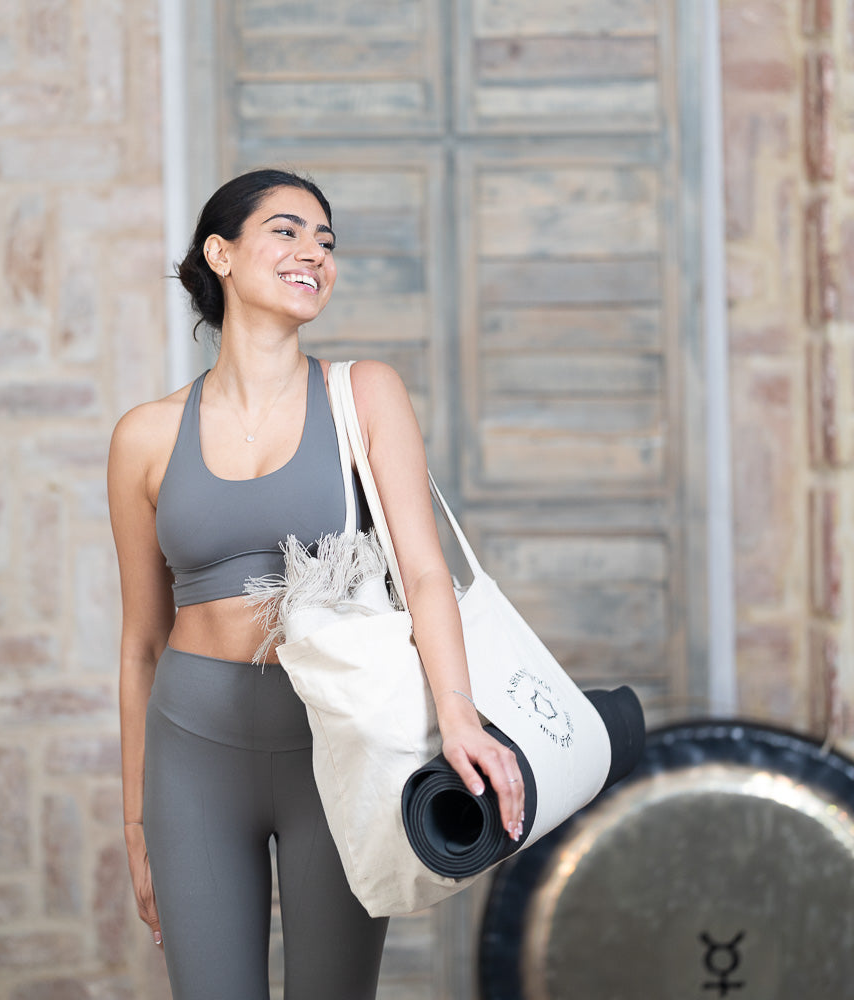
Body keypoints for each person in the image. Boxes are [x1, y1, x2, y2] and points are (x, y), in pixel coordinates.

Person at [107, 168, 525, 1000]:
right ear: (220, 254)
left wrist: (458, 717)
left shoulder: (364, 393)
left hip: (337, 742)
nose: (314, 253)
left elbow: (425, 573)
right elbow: (141, 642)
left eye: (326, 242)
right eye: (287, 231)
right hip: (191, 753)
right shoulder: (144, 436)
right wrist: (134, 820)